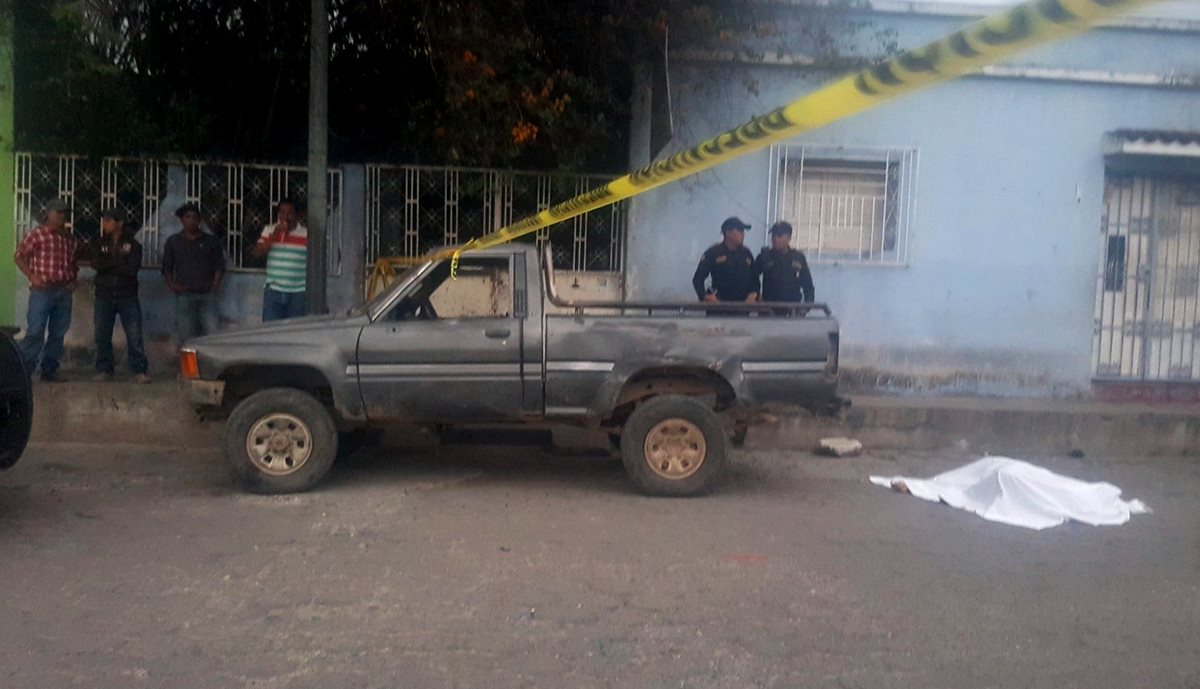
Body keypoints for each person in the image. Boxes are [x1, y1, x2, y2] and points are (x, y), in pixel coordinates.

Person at [78, 208, 149, 383]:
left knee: (134, 336)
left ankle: (139, 370)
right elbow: (95, 263)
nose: (105, 223)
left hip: (127, 295)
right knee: (102, 335)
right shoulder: (99, 242)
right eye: (104, 220)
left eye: (109, 220)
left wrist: (107, 263)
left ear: (120, 223)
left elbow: (131, 269)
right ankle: (105, 369)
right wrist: (118, 261)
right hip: (104, 294)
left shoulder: (133, 245)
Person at [13, 199, 79, 382]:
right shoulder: (37, 235)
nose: (62, 216)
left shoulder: (69, 238)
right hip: (42, 292)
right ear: (48, 213)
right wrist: (31, 276)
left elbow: (72, 264)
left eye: (64, 212)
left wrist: (73, 280)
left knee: (58, 334)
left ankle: (49, 371)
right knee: (35, 331)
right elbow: (18, 257)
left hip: (63, 292)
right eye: (58, 212)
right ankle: (24, 372)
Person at [162, 202, 225, 345]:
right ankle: (188, 366)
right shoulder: (173, 242)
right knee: (185, 335)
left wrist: (214, 286)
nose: (191, 220)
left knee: (212, 334)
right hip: (184, 294)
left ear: (199, 220)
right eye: (188, 216)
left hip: (207, 294)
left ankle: (210, 364)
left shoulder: (211, 241)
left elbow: (220, 266)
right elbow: (167, 267)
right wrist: (172, 286)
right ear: (182, 220)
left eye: (195, 217)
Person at [253, 198, 308, 321]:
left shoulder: (306, 234)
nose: (285, 217)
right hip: (274, 290)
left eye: (290, 213)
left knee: (293, 333)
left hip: (298, 292)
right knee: (270, 332)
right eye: (282, 213)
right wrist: (274, 235)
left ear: (297, 215)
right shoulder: (269, 230)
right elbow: (257, 253)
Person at [692, 216, 759, 304]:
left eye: (743, 231)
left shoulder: (746, 253)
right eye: (739, 231)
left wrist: (753, 294)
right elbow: (698, 279)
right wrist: (706, 296)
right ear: (728, 233)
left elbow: (755, 280)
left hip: (742, 308)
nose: (743, 234)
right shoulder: (714, 252)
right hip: (719, 308)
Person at [754, 221, 815, 304]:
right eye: (773, 236)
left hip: (792, 310)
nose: (775, 239)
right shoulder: (765, 256)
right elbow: (751, 278)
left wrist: (806, 307)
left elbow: (807, 285)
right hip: (769, 310)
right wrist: (756, 295)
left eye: (779, 236)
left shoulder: (798, 257)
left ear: (789, 238)